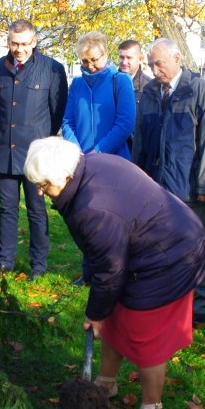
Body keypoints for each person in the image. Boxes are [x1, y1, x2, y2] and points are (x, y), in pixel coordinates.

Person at [24, 136, 205, 409]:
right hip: (148, 244)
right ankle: (106, 383)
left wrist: (94, 313)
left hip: (172, 255)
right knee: (115, 317)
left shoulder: (92, 209)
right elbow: (109, 267)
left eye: (44, 185)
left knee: (144, 333)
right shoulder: (90, 164)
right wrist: (102, 313)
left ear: (66, 176)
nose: (40, 192)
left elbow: (110, 271)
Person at [135, 38, 205, 328]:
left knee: (197, 245)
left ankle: (204, 302)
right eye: (150, 64)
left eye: (158, 63)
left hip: (188, 186)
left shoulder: (198, 89)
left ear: (177, 59)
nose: (154, 69)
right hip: (154, 184)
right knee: (159, 245)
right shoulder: (149, 92)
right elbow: (141, 140)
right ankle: (168, 297)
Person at [0, 20, 69, 279]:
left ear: (34, 42)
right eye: (14, 43)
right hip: (5, 152)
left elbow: (56, 113)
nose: (19, 49)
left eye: (24, 44)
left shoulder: (52, 69)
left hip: (36, 157)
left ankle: (38, 265)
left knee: (36, 210)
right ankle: (5, 261)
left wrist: (42, 145)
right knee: (7, 209)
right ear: (8, 41)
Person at [61, 31, 136, 285]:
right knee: (87, 218)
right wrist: (78, 152)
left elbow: (125, 122)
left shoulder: (121, 81)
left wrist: (98, 153)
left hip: (114, 162)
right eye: (84, 61)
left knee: (113, 219)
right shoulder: (78, 84)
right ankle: (89, 272)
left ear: (106, 54)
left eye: (94, 60)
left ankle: (115, 271)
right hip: (82, 162)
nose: (90, 66)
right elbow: (68, 120)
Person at [118, 39, 152, 161]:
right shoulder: (109, 83)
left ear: (140, 58)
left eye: (129, 58)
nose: (124, 62)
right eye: (121, 57)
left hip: (137, 152)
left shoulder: (149, 88)